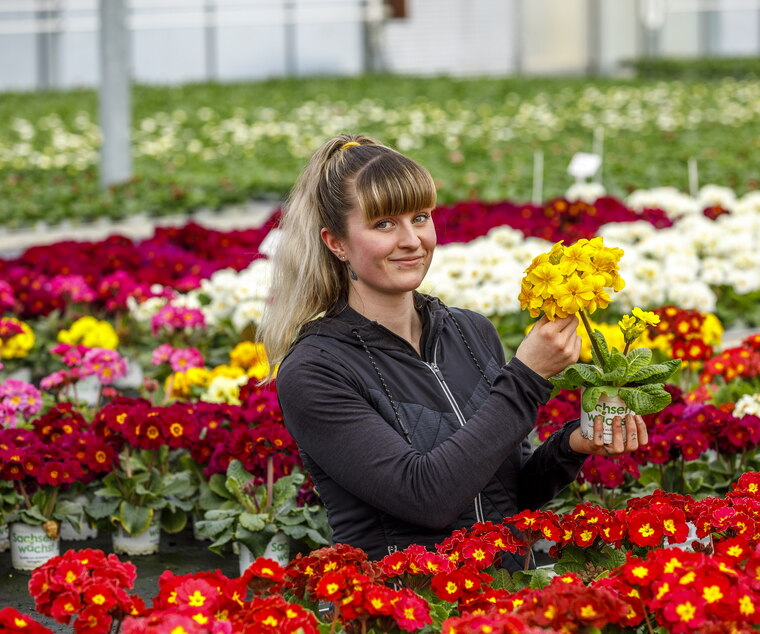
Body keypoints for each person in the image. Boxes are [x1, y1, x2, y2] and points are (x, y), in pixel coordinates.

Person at [260, 134, 648, 570]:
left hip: (505, 597)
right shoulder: (316, 369)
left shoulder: (469, 331)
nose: (412, 240)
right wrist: (527, 377)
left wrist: (573, 444)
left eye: (420, 217)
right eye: (384, 224)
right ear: (337, 242)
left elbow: (508, 490)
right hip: (407, 604)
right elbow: (426, 497)